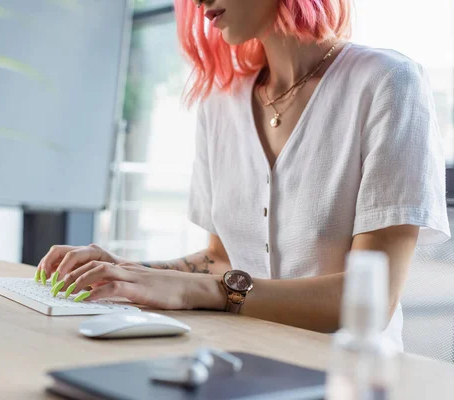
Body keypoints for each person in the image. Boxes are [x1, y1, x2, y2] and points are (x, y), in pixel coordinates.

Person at [37, 0, 450, 350]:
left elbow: (372, 299)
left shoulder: (387, 82)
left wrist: (194, 291)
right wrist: (126, 273)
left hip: (347, 376)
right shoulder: (219, 102)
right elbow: (221, 258)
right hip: (237, 357)